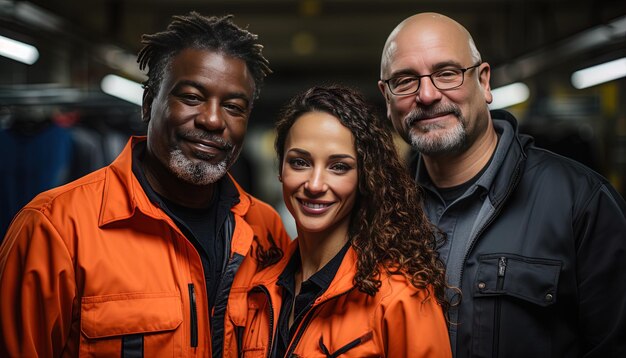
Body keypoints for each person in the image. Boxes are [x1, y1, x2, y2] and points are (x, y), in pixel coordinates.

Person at [0, 12, 290, 357]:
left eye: (233, 107)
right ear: (149, 103)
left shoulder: (265, 228)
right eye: (192, 97)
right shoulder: (56, 229)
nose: (213, 119)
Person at [378, 12, 626, 358]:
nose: (427, 94)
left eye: (447, 74)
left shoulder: (581, 203)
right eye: (405, 80)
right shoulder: (380, 214)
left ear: (484, 82)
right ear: (387, 98)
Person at [227, 85, 452, 357]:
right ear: (281, 171)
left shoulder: (401, 296)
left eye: (338, 167)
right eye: (300, 162)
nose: (315, 184)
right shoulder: (259, 291)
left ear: (364, 178)